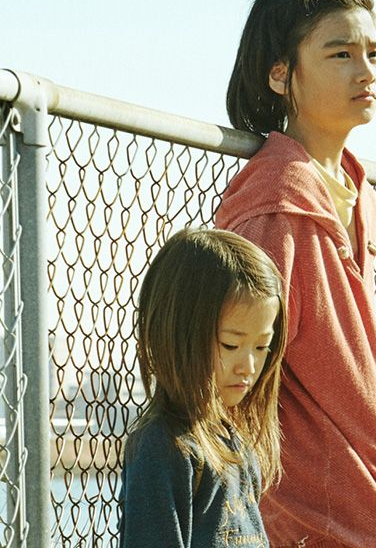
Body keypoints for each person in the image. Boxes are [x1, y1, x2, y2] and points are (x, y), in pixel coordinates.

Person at [215, 0, 376, 548]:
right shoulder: (275, 203)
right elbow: (239, 379)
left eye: (374, 53)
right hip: (316, 517)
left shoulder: (354, 188)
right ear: (281, 74)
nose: (366, 71)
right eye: (341, 54)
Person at [118, 228, 286, 547]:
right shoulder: (163, 448)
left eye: (262, 346)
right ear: (179, 335)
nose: (249, 366)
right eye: (231, 344)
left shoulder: (236, 443)